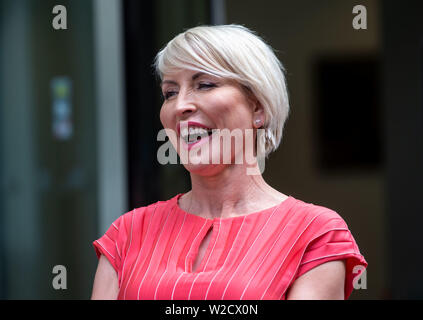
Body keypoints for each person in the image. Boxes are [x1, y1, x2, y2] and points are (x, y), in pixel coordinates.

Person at [91, 24, 367, 300]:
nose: (180, 106)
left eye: (205, 85)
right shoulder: (126, 234)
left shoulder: (315, 234)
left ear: (257, 107)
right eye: (170, 93)